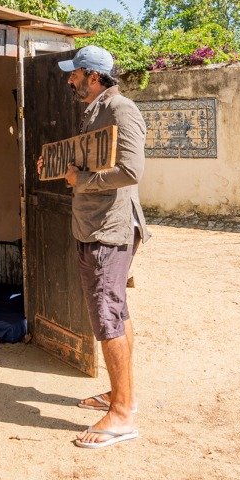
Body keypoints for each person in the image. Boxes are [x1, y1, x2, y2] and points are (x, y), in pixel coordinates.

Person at [40, 45, 150, 449]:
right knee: (116, 310)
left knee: (107, 317)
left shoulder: (122, 110)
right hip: (93, 226)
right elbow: (86, 163)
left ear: (93, 75)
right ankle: (123, 396)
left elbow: (131, 171)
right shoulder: (94, 111)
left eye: (75, 74)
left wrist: (80, 181)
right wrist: (58, 169)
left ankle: (121, 415)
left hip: (109, 229)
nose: (69, 79)